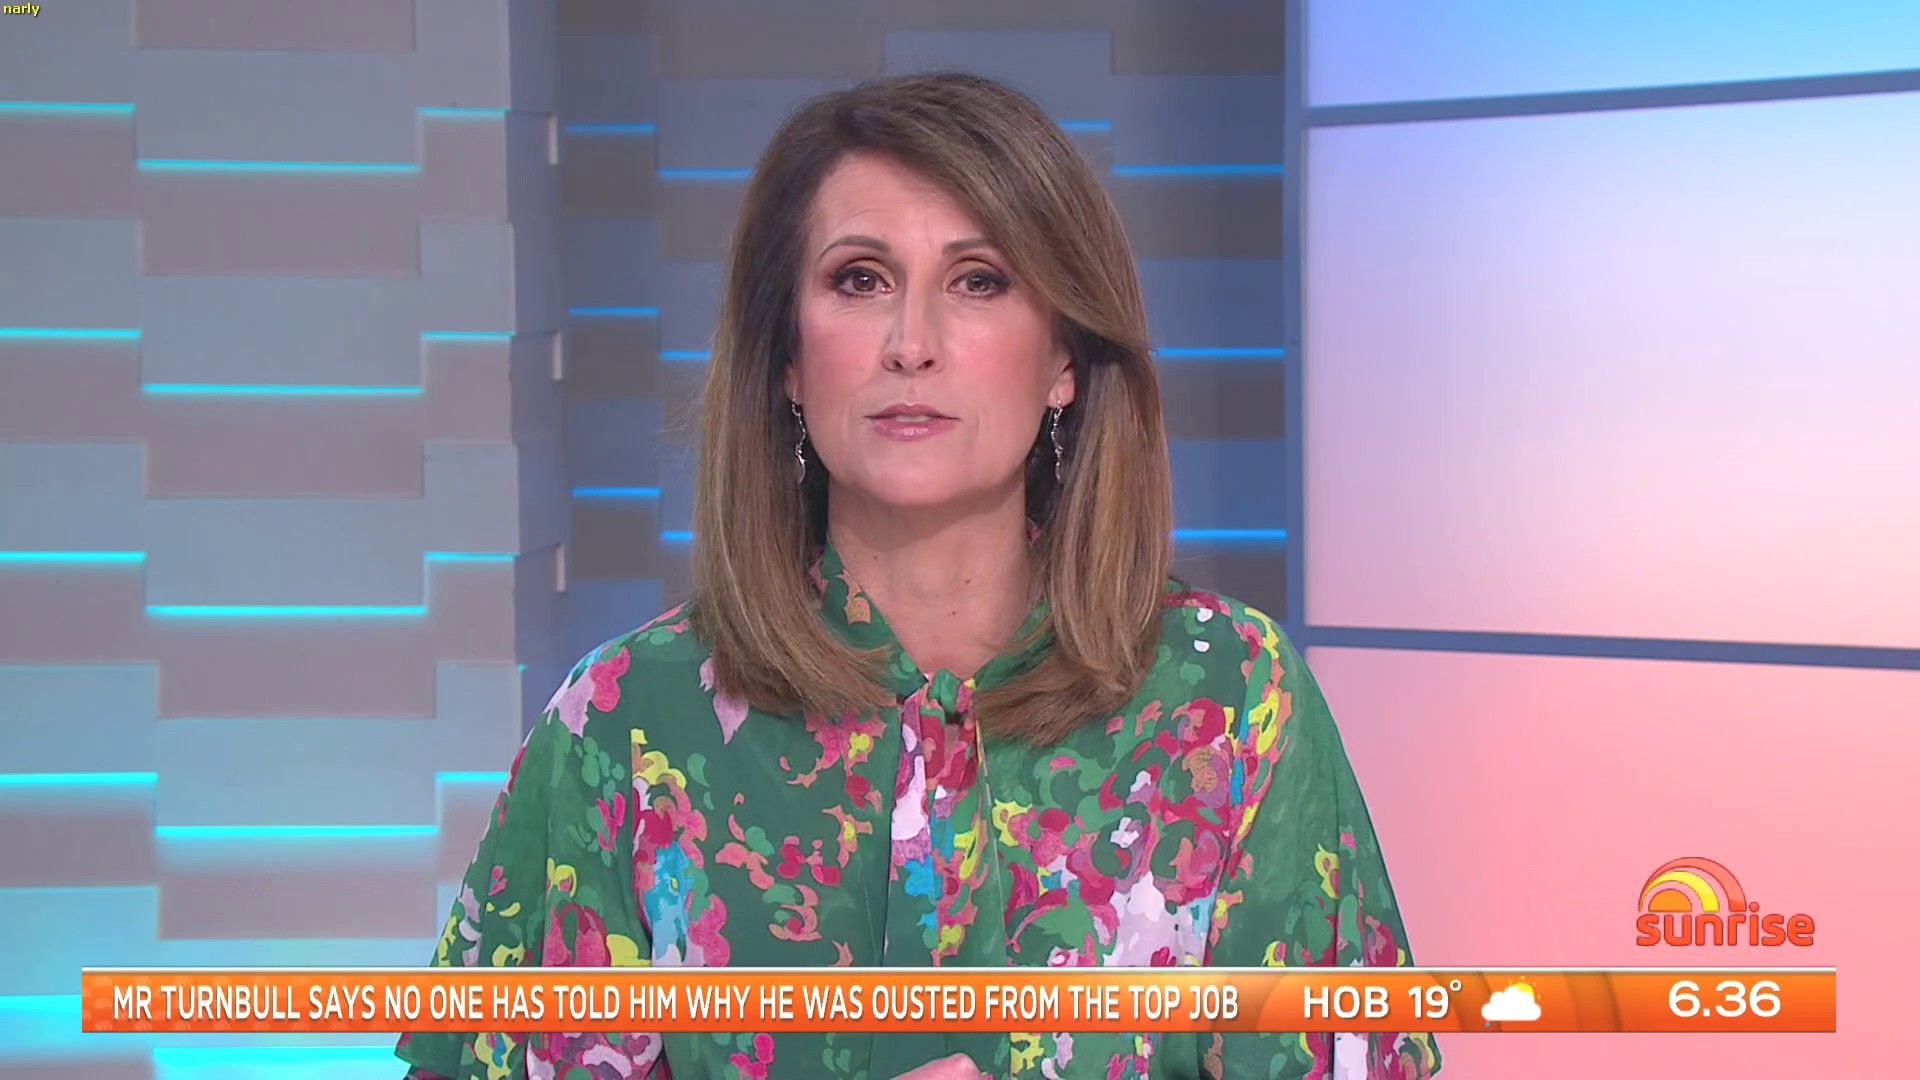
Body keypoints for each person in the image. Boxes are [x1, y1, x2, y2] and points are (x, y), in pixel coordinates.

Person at [395, 71, 1439, 1080]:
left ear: (1065, 359)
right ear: (789, 358)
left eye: (978, 281)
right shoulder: (623, 725)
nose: (911, 344)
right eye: (861, 280)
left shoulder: (1235, 701)